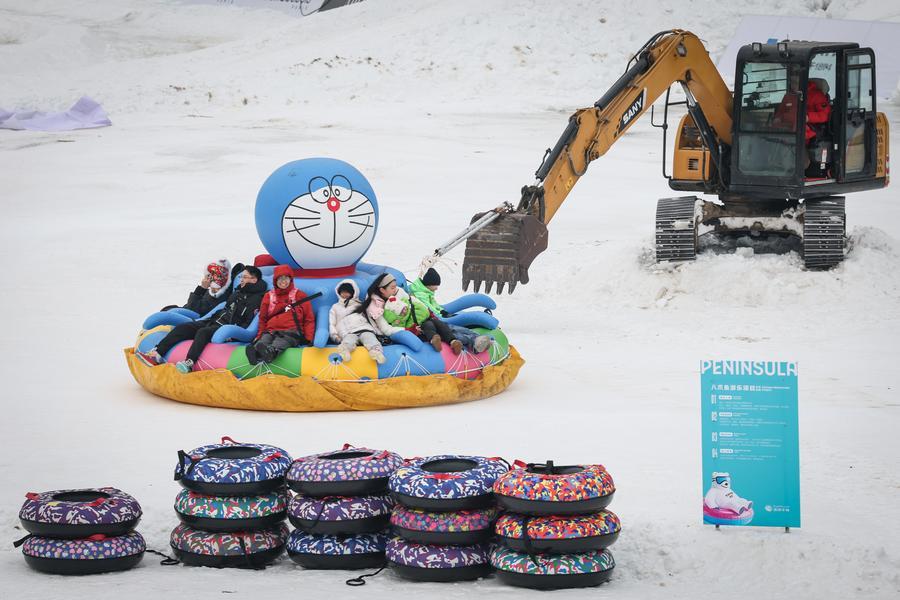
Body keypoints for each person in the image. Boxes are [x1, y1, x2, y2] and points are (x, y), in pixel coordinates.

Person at [138, 266, 268, 373]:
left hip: (225, 328)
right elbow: (218, 309)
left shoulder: (258, 299)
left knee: (203, 332)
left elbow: (249, 322)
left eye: (245, 277)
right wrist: (202, 291)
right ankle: (157, 354)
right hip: (212, 321)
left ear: (254, 279)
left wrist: (233, 334)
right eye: (241, 277)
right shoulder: (237, 293)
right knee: (185, 327)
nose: (241, 280)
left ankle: (189, 363)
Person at [358, 272, 465, 354]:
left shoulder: (398, 292)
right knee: (430, 326)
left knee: (438, 323)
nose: (395, 289)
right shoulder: (375, 307)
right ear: (382, 290)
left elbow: (413, 301)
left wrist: (429, 312)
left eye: (395, 286)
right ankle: (436, 339)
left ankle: (454, 342)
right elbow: (386, 329)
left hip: (415, 322)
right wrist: (409, 329)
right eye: (392, 287)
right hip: (399, 330)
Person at [410, 268, 491, 353]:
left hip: (434, 319)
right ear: (429, 284)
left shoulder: (427, 292)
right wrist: (439, 314)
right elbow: (428, 307)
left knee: (454, 328)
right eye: (436, 285)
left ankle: (478, 337)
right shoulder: (419, 295)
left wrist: (441, 311)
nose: (437, 288)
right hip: (429, 321)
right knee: (451, 331)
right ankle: (474, 343)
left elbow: (434, 304)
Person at [246, 265, 315, 365]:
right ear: (275, 281)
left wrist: (309, 338)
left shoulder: (299, 295)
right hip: (271, 330)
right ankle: (255, 354)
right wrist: (259, 335)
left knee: (281, 341)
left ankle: (272, 352)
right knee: (264, 340)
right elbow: (263, 318)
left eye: (286, 278)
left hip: (291, 331)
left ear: (290, 279)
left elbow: (309, 318)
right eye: (280, 278)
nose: (283, 281)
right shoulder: (269, 296)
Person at [328, 279, 386, 364]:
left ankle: (376, 352)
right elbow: (332, 322)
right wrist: (334, 335)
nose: (344, 294)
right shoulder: (335, 307)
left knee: (369, 337)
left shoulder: (359, 305)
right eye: (342, 292)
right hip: (347, 331)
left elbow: (369, 319)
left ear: (353, 293)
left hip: (363, 328)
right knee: (349, 340)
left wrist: (378, 331)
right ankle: (345, 350)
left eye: (347, 292)